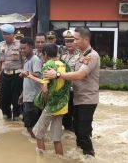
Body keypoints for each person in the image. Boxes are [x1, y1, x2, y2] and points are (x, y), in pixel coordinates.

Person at [43, 26, 100, 158]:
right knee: (77, 129)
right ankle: (81, 155)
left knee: (83, 131)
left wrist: (56, 75)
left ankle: (89, 156)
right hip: (77, 97)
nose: (73, 42)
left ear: (85, 39)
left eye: (76, 39)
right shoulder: (81, 54)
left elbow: (79, 75)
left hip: (87, 99)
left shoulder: (92, 56)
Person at [27, 43, 71, 156]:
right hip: (62, 105)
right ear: (57, 53)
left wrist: (44, 101)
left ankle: (42, 158)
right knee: (56, 138)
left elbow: (45, 88)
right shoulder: (65, 65)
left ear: (45, 54)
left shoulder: (48, 65)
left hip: (51, 105)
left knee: (38, 133)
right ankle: (59, 159)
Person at [0, 24, 23, 121]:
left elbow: (25, 62)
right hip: (4, 75)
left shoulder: (20, 44)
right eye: (4, 34)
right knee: (3, 99)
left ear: (12, 34)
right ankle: (7, 115)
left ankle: (17, 116)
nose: (5, 36)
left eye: (7, 34)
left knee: (16, 99)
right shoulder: (0, 45)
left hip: (17, 75)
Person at [18, 37, 42, 138]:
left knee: (30, 125)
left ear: (31, 47)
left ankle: (38, 144)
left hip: (34, 98)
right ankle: (37, 143)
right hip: (28, 96)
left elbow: (38, 74)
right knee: (29, 125)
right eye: (21, 48)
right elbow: (27, 80)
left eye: (24, 48)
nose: (22, 50)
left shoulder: (35, 59)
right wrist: (22, 94)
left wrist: (27, 73)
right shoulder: (27, 60)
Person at [60, 30, 80, 131]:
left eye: (71, 41)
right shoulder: (63, 56)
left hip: (77, 91)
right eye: (67, 41)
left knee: (77, 116)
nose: (68, 43)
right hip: (65, 91)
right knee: (65, 116)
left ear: (76, 42)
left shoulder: (81, 56)